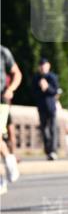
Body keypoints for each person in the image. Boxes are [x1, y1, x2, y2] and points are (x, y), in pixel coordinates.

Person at [1, 44, 22, 189]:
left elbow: (17, 74)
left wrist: (11, 89)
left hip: (1, 99)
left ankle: (9, 160)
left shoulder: (3, 52)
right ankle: (2, 180)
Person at [32, 56, 60, 159]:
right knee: (44, 129)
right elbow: (34, 93)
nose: (42, 68)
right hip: (41, 106)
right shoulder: (36, 78)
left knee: (52, 128)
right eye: (41, 66)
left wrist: (47, 87)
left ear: (48, 66)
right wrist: (41, 89)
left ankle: (53, 151)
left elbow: (55, 91)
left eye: (44, 65)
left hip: (51, 106)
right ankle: (48, 151)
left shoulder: (52, 77)